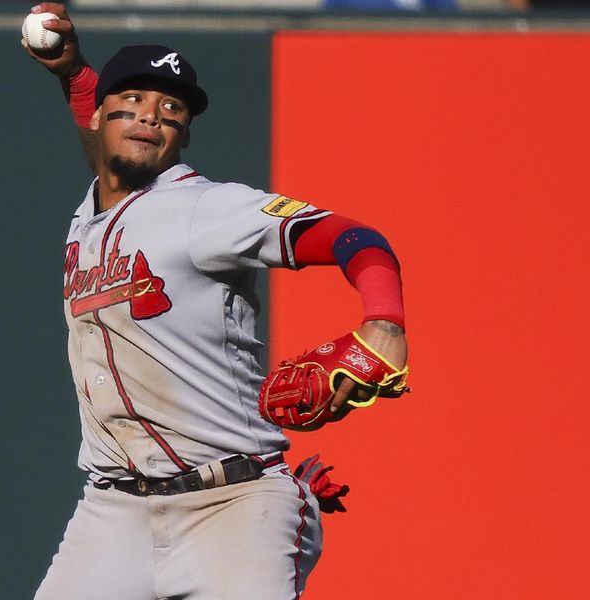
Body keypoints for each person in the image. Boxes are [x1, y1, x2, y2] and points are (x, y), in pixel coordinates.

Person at [22, 4, 408, 598]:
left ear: (184, 134)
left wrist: (383, 320)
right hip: (113, 512)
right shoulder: (93, 207)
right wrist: (72, 72)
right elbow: (106, 152)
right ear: (100, 115)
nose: (150, 117)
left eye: (171, 109)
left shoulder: (208, 208)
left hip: (233, 503)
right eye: (134, 101)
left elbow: (355, 237)